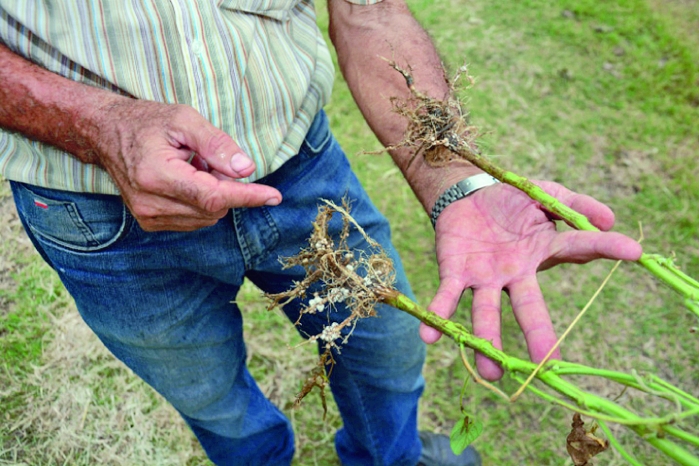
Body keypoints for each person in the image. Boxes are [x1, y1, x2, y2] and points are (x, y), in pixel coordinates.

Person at [0, 1, 642, 465]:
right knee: (209, 395)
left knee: (387, 351)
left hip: (301, 166)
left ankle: (389, 460)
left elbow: (371, 10)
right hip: (94, 209)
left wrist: (457, 183)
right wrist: (99, 125)